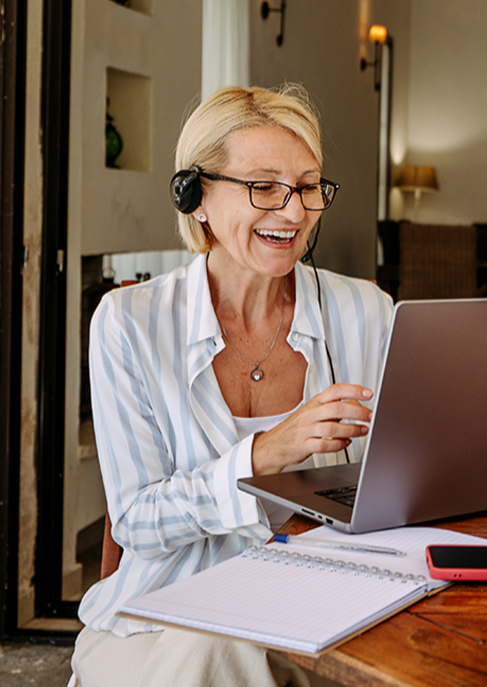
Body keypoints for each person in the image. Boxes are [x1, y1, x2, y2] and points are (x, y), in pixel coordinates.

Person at [71, 84, 392, 686]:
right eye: (264, 187)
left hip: (324, 600)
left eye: (307, 186)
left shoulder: (367, 312)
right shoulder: (129, 323)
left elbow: (403, 477)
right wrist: (265, 454)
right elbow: (137, 519)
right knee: (214, 644)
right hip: (160, 611)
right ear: (195, 197)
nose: (294, 211)